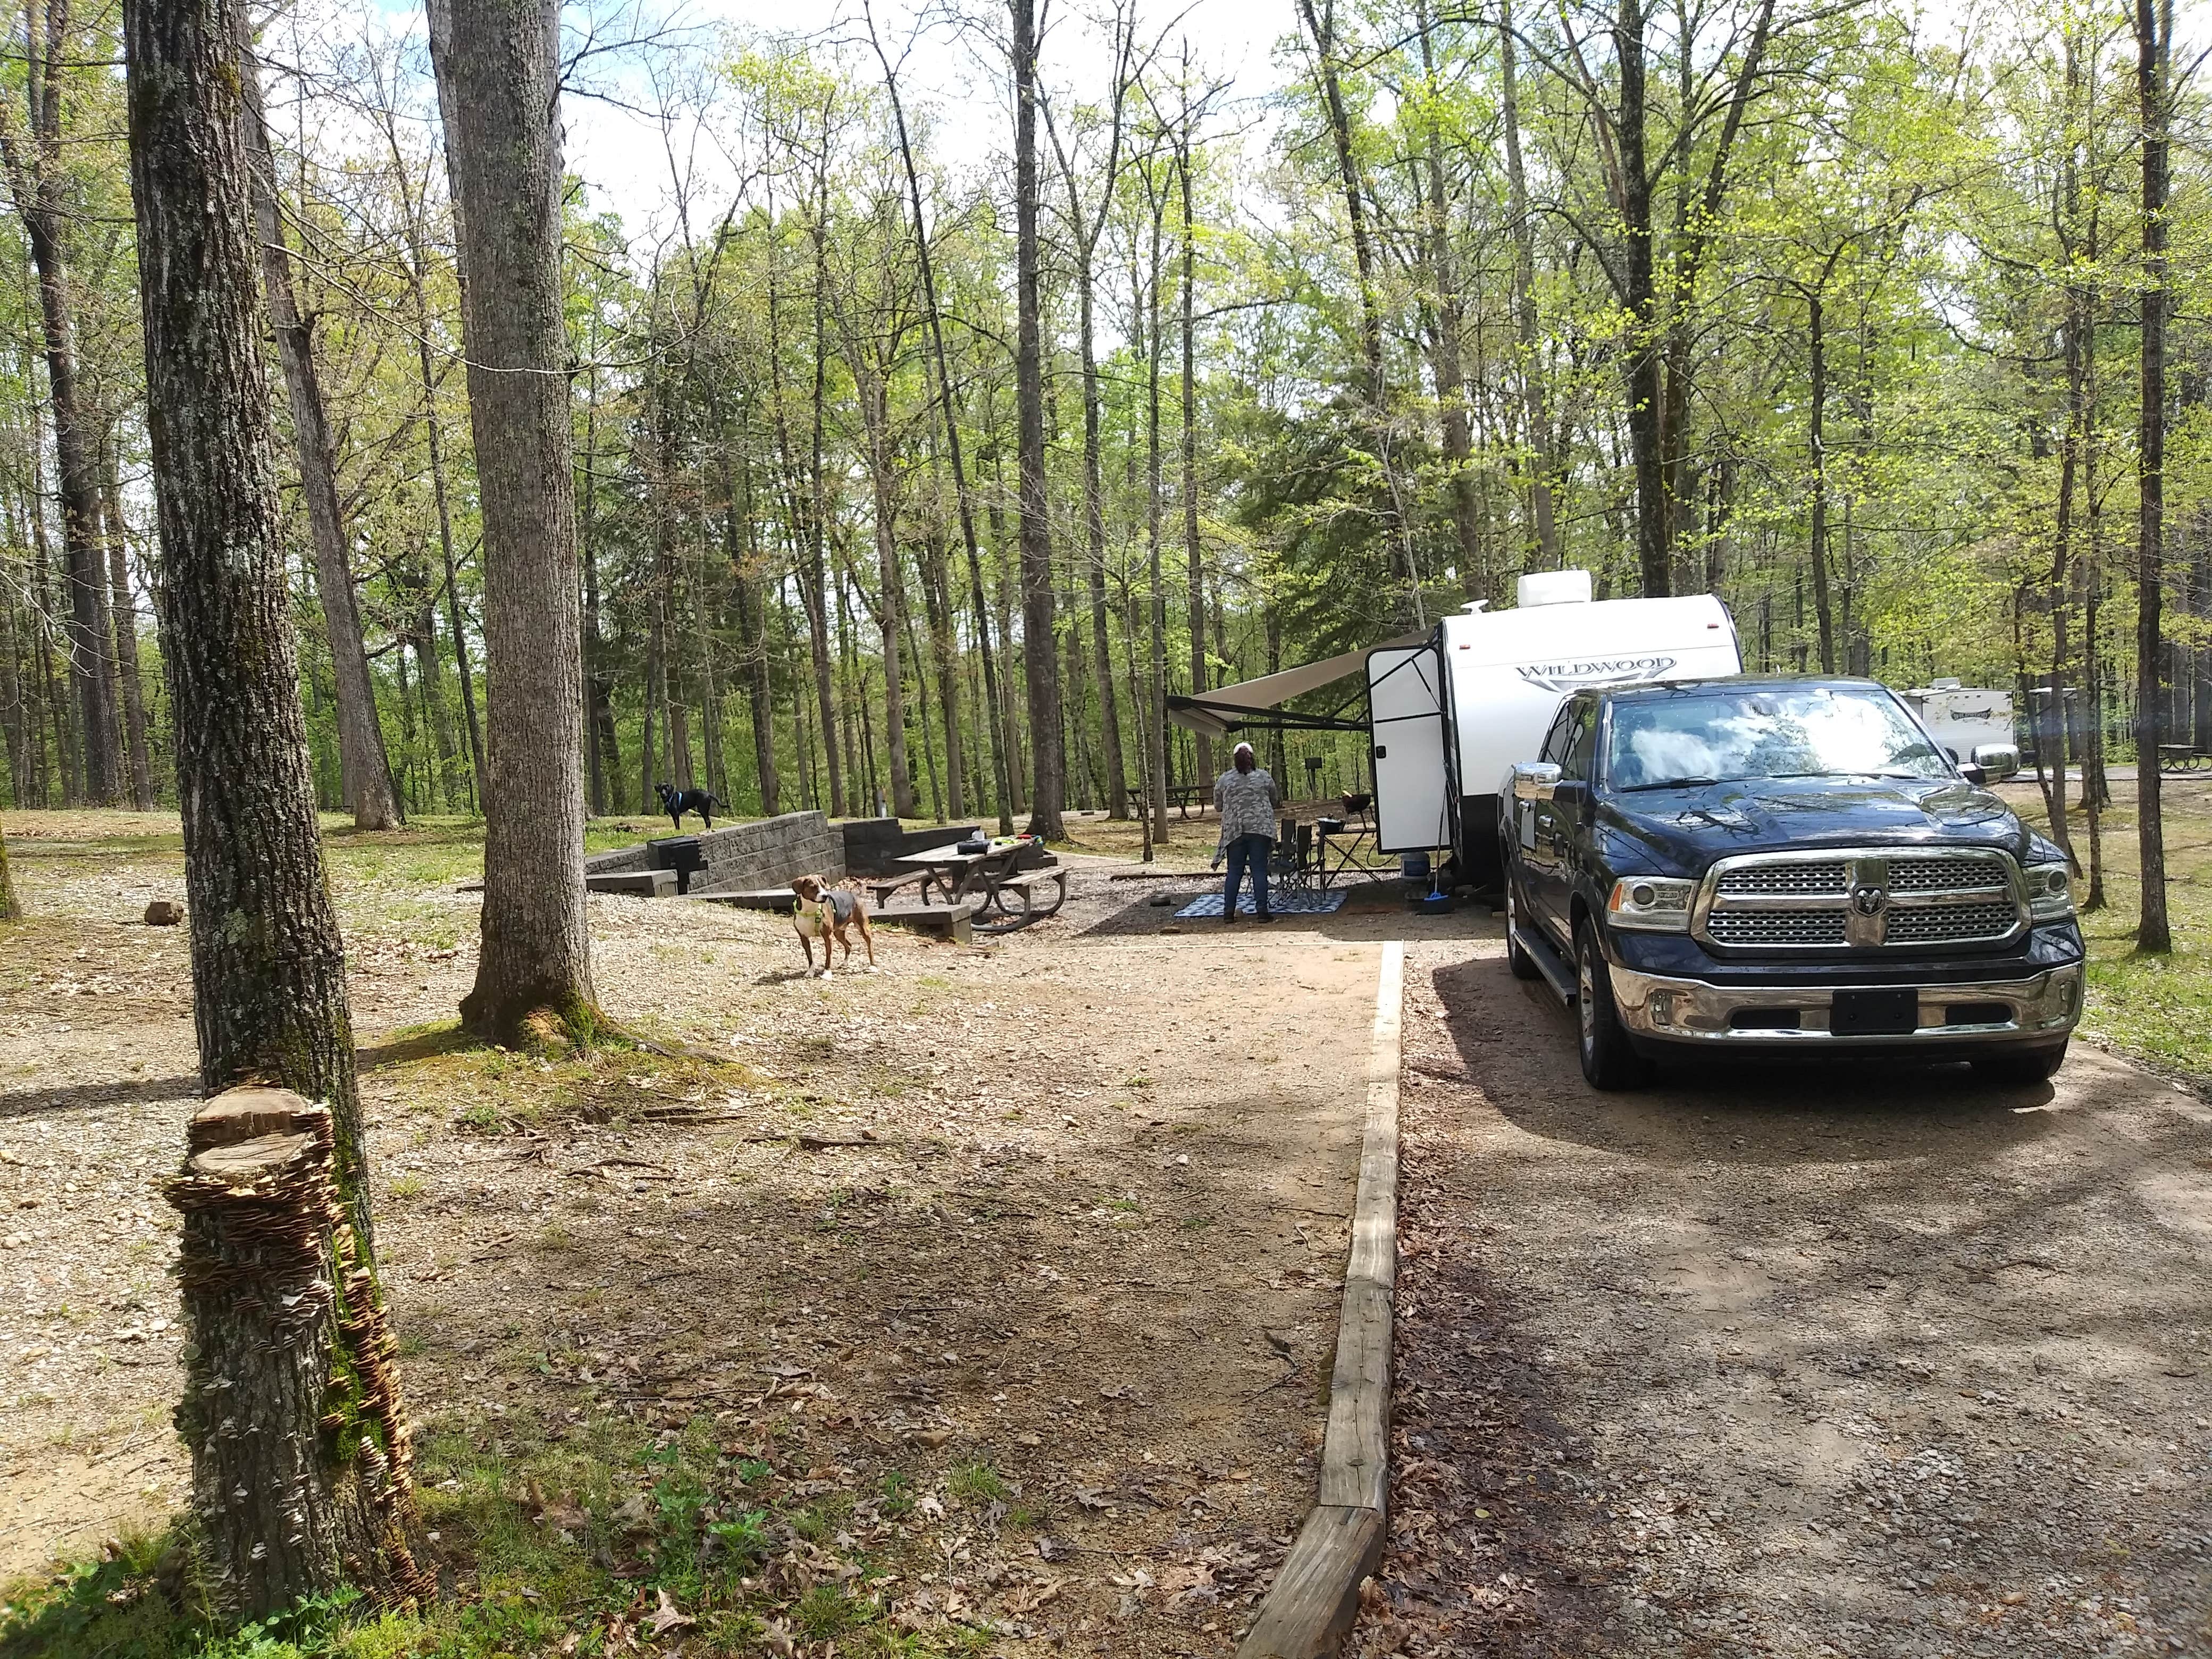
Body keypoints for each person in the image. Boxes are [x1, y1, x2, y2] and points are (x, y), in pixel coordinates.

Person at [1211, 741, 1281, 923]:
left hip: (1235, 832)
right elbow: (1275, 800)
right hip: (1260, 830)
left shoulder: (1224, 780)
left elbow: (1218, 807)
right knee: (1259, 869)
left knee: (1234, 871)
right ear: (1252, 758)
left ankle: (1228, 913)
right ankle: (1262, 913)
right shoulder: (1264, 777)